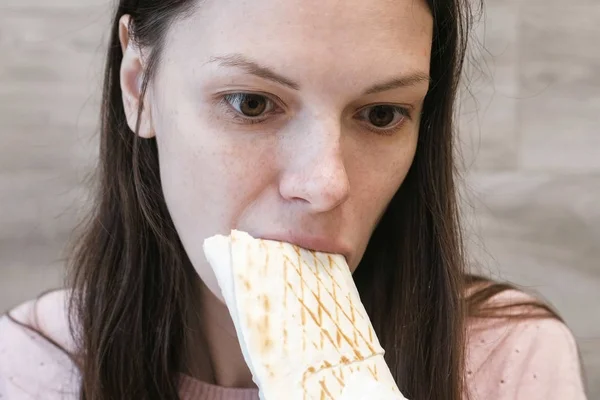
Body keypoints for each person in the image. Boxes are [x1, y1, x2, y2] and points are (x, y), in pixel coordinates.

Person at [0, 0, 588, 399]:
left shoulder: (510, 360)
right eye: (251, 104)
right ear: (139, 83)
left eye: (381, 115)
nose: (326, 183)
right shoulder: (30, 369)